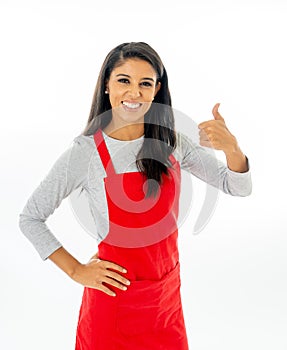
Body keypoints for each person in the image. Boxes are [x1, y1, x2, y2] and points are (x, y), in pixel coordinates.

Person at [18, 42, 252, 350]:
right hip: (111, 307)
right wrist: (77, 271)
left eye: (145, 83)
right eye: (123, 80)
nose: (134, 93)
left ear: (157, 90)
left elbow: (236, 185)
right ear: (106, 85)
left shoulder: (172, 143)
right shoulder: (86, 153)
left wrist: (232, 149)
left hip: (165, 304)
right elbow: (30, 218)